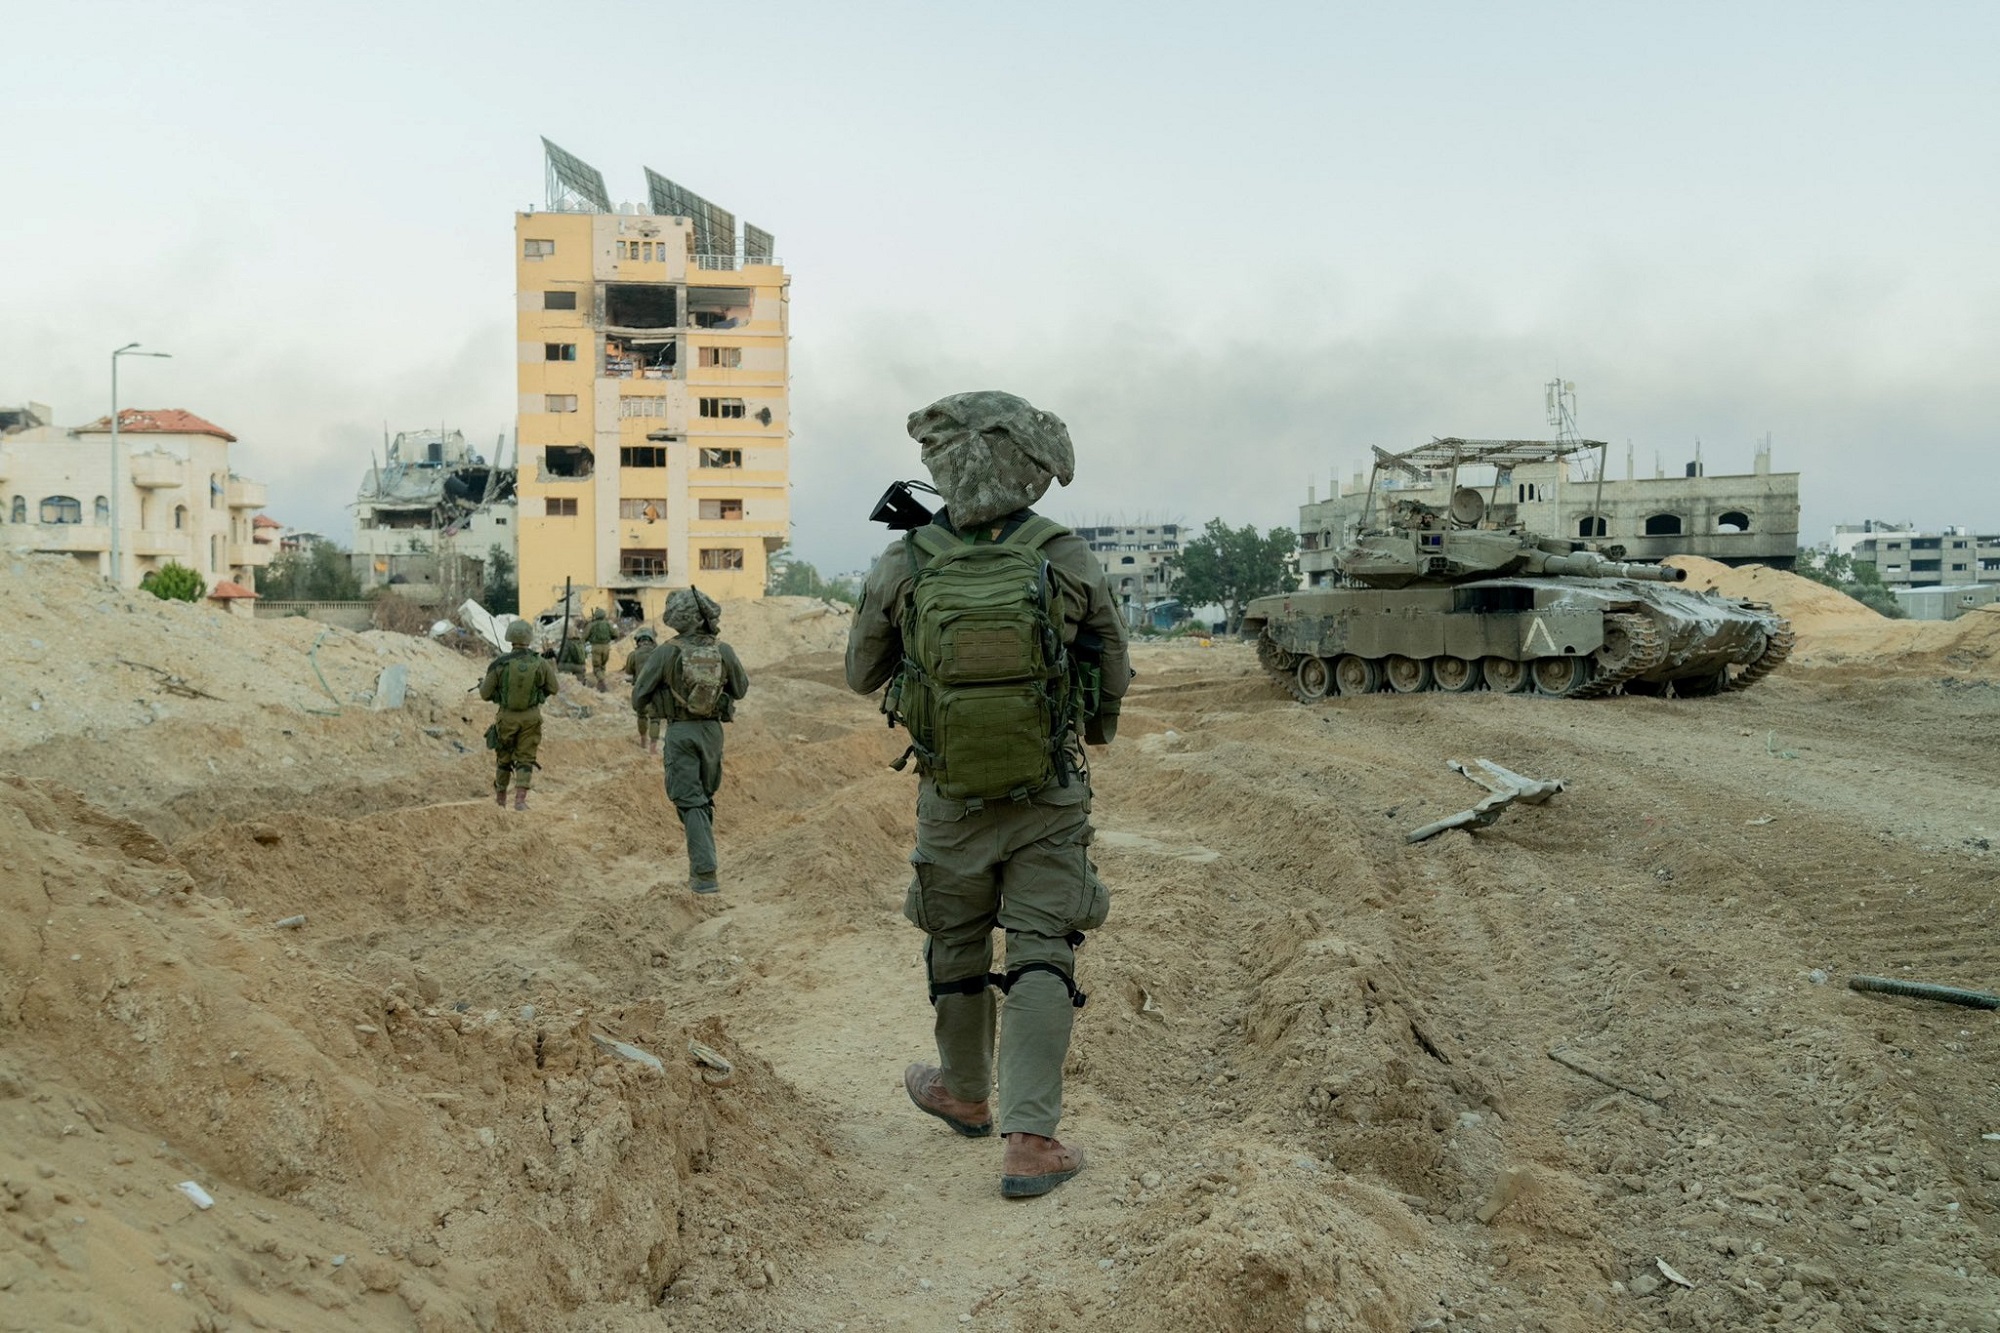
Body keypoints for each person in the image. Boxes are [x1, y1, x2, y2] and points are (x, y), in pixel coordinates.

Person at [845, 390, 1129, 1199]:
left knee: (957, 939)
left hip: (951, 796)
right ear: (1029, 469)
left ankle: (965, 1092)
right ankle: (1031, 1141)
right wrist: (1093, 724)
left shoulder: (907, 559)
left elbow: (860, 673)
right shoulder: (1063, 553)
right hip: (1048, 793)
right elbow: (1112, 661)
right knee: (1042, 945)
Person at [632, 588, 748, 894]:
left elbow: (638, 696)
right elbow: (740, 689)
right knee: (702, 798)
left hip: (681, 731)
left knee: (689, 800)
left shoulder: (666, 652)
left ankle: (705, 875)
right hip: (713, 732)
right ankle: (702, 864)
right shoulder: (724, 650)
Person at [480, 618, 560, 811]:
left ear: (510, 638)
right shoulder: (540, 663)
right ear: (529, 639)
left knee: (504, 758)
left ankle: (500, 800)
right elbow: (554, 688)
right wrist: (539, 695)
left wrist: (498, 694)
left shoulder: (500, 664)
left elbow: (484, 694)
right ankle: (520, 801)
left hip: (506, 718)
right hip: (531, 717)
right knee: (525, 757)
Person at [623, 625, 663, 754]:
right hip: (656, 690)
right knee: (655, 718)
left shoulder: (633, 655)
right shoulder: (660, 652)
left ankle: (643, 741)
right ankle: (653, 748)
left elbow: (629, 673)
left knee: (641, 715)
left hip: (640, 690)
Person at [585, 606, 617, 692]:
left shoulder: (591, 625)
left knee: (596, 668)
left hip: (596, 647)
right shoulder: (608, 624)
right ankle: (601, 684)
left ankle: (602, 682)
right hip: (606, 647)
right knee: (603, 666)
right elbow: (616, 634)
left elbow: (584, 637)